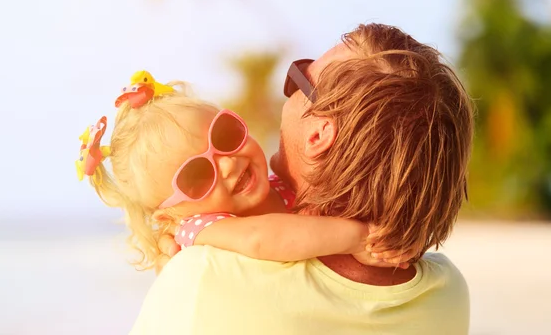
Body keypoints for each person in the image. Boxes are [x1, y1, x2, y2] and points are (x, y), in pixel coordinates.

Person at [131, 23, 474, 335]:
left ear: (318, 134)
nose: (227, 166)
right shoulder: (447, 294)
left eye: (297, 79)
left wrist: (178, 280)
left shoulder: (202, 280)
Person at [76, 71, 413, 271]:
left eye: (224, 135)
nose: (227, 162)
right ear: (171, 216)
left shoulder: (279, 184)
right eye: (197, 176)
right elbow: (262, 238)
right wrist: (357, 237)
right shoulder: (199, 229)